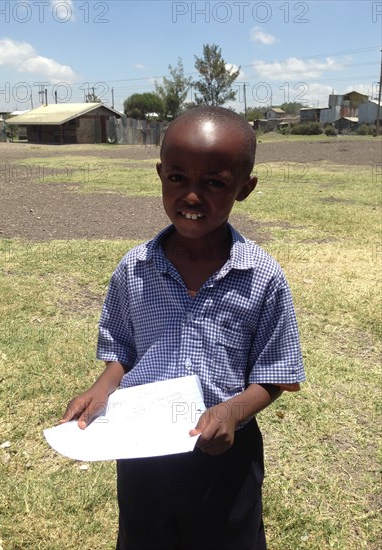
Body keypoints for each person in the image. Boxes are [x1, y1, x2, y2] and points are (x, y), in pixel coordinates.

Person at [61, 106, 305, 550]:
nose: (192, 197)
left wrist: (231, 412)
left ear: (245, 188)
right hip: (143, 453)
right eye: (177, 178)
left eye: (215, 182)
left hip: (225, 456)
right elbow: (123, 352)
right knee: (144, 537)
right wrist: (101, 388)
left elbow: (276, 376)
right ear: (160, 174)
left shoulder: (261, 276)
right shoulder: (135, 269)